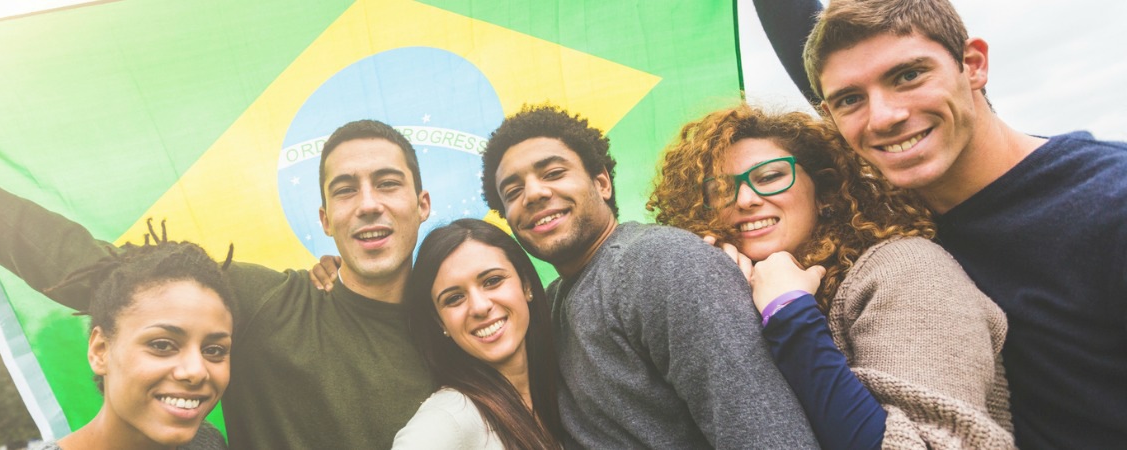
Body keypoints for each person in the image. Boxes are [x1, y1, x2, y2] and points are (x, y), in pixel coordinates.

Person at [0, 52, 438, 449]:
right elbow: (69, 259)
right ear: (324, 217)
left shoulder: (469, 327)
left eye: (388, 184)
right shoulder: (259, 300)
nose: (370, 203)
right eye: (345, 190)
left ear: (424, 204)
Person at [756, 0, 1127, 446]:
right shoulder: (884, 205)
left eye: (909, 76)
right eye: (850, 99)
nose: (885, 117)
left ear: (973, 65)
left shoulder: (1109, 205)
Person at [649, 103, 1013, 448]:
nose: (744, 199)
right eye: (721, 190)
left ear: (823, 191)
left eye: (771, 176)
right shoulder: (735, 288)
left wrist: (790, 312)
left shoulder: (907, 269)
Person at [477, 104, 818, 449]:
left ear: (601, 182)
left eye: (552, 173)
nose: (533, 194)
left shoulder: (663, 263)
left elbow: (766, 435)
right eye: (513, 191)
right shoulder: (548, 305)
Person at [38, 223, 233, 450]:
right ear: (100, 350)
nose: (196, 371)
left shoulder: (206, 443)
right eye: (162, 345)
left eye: (214, 350)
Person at [387, 219, 564, 449]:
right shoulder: (450, 418)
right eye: (454, 298)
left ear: (526, 284)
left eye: (492, 281)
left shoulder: (560, 385)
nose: (480, 307)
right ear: (439, 321)